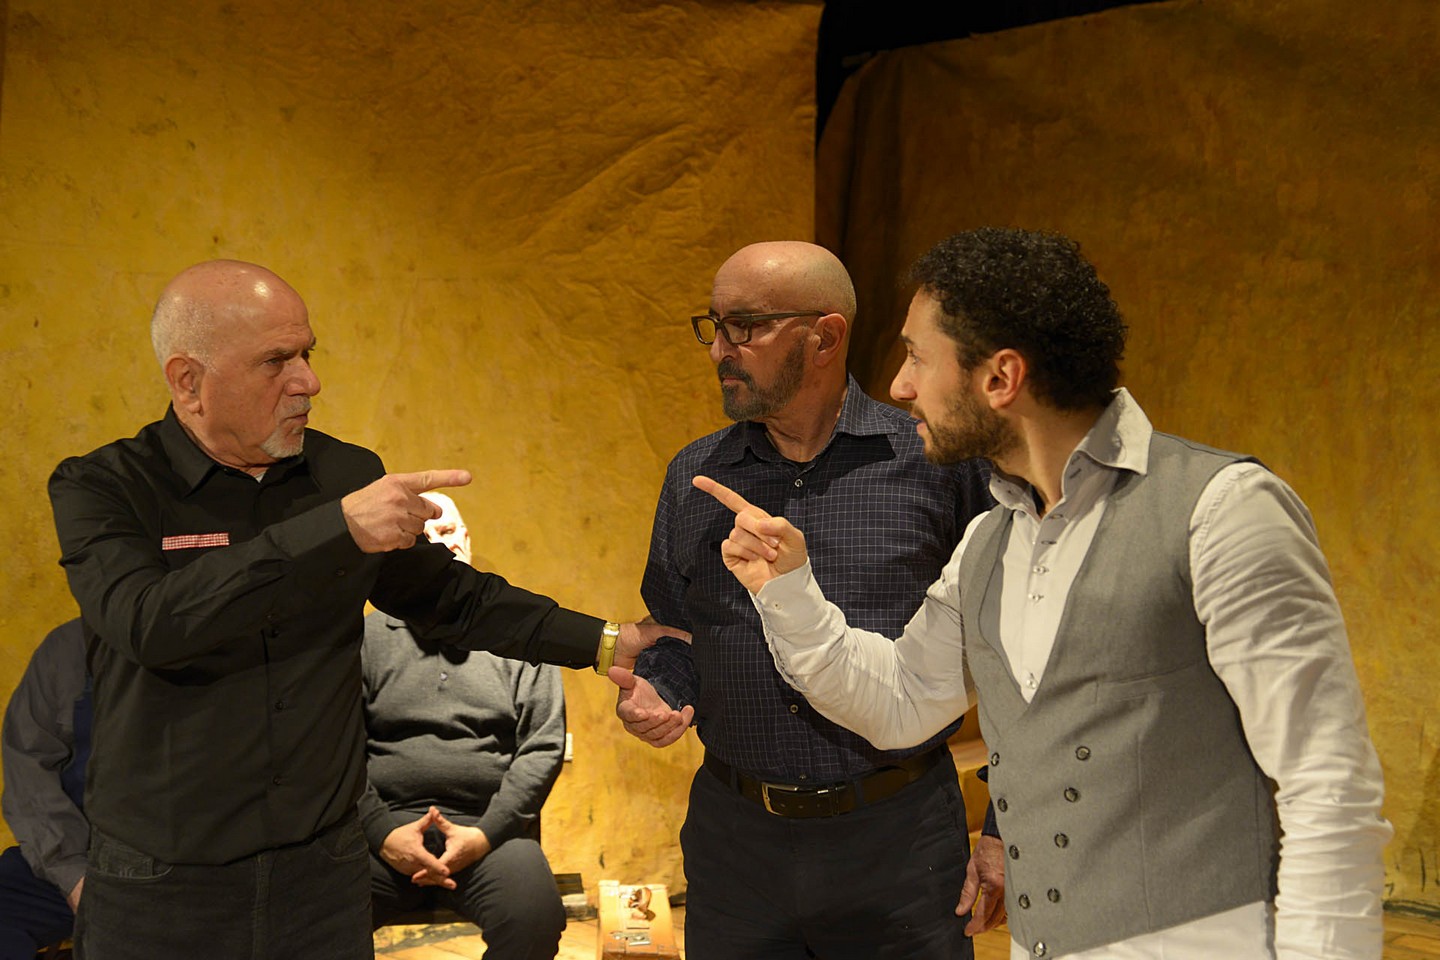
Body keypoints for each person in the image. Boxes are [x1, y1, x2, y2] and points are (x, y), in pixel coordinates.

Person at [700, 228, 1392, 960]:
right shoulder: (988, 542)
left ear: (1000, 378)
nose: (900, 387)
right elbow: (901, 701)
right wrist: (789, 591)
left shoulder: (1223, 509)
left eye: (917, 357)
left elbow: (1329, 786)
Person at [46, 259, 675, 960]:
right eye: (276, 361)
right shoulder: (103, 485)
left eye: (307, 354)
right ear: (188, 381)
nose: (308, 381)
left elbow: (452, 599)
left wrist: (606, 640)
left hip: (322, 877)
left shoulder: (343, 474)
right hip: (161, 883)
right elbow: (149, 623)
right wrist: (333, 530)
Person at [609, 241, 1002, 960]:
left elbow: (1014, 656)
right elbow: (676, 633)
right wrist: (660, 689)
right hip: (737, 847)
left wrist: (1006, 828)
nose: (719, 350)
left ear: (824, 336)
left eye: (744, 326)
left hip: (900, 842)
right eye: (713, 326)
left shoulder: (937, 463)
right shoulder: (695, 475)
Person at [361, 491, 566, 960]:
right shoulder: (365, 638)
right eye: (425, 537)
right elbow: (337, 749)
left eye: (449, 531)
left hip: (489, 831)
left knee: (534, 919)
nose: (442, 545)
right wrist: (382, 833)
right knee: (314, 916)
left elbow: (542, 746)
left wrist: (485, 834)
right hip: (383, 830)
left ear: (467, 539)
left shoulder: (519, 634)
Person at [0, 619, 89, 959]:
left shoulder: (231, 641)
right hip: (74, 854)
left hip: (187, 873)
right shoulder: (68, 647)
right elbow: (29, 772)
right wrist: (72, 874)